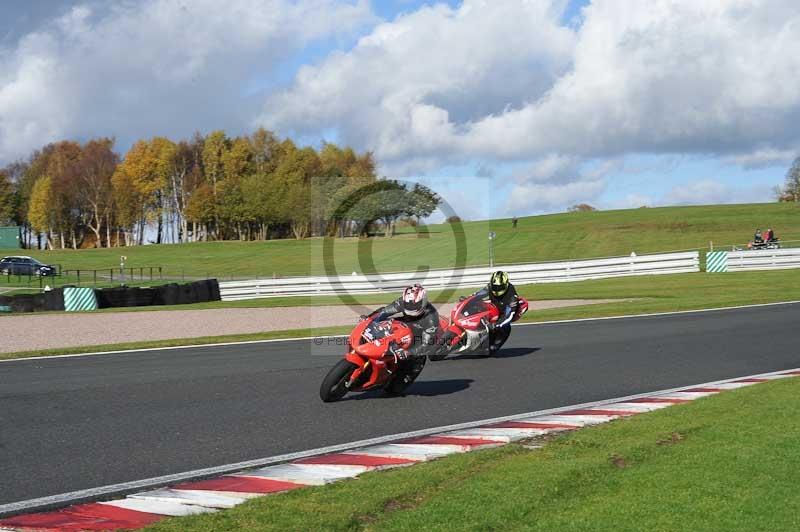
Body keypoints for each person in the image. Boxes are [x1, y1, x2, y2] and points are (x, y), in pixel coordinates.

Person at [362, 284, 440, 361]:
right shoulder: (402, 302)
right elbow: (385, 311)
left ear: (423, 302)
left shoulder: (431, 317)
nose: (410, 307)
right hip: (403, 324)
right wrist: (369, 319)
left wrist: (408, 352)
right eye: (408, 304)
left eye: (414, 305)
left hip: (417, 336)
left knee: (413, 359)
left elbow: (426, 344)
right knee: (382, 320)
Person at [472, 271, 520, 355]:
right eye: (495, 287)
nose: (497, 290)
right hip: (493, 308)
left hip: (503, 314)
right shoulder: (490, 287)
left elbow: (509, 316)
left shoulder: (512, 296)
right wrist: (468, 299)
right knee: (477, 306)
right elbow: (479, 294)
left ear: (506, 284)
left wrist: (496, 325)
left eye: (499, 287)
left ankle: (493, 344)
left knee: (503, 328)